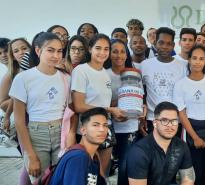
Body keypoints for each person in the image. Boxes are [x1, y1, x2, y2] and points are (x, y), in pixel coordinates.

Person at [9, 32, 70, 182]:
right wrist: (30, 155)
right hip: (36, 134)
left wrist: (70, 136)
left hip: (61, 132)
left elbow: (71, 111)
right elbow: (19, 121)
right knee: (39, 179)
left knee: (59, 178)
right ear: (38, 51)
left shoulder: (66, 78)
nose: (56, 55)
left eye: (59, 51)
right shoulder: (23, 78)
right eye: (50, 50)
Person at [71, 34, 125, 179]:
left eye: (106, 49)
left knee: (102, 174)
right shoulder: (81, 71)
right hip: (88, 128)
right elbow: (79, 106)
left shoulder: (104, 73)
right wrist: (109, 110)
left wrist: (117, 112)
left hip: (106, 126)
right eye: (98, 48)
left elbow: (103, 103)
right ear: (90, 49)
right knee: (86, 174)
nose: (103, 52)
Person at [173, 45, 205, 185]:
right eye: (194, 58)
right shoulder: (180, 84)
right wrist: (194, 137)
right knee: (193, 171)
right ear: (189, 60)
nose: (197, 62)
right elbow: (181, 113)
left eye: (201, 59)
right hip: (190, 130)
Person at [127, 101, 195, 185]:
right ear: (155, 123)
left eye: (174, 121)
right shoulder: (139, 152)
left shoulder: (181, 146)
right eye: (164, 120)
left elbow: (188, 180)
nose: (170, 125)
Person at [106, 39, 141, 185]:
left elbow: (140, 99)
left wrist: (141, 109)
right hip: (107, 126)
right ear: (109, 54)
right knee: (106, 165)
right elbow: (98, 102)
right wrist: (118, 103)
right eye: (114, 51)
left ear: (127, 55)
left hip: (129, 127)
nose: (119, 55)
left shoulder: (134, 75)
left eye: (122, 52)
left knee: (125, 165)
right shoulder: (104, 74)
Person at [140, 27, 187, 133]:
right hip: (152, 119)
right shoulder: (145, 65)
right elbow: (141, 92)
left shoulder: (182, 66)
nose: (165, 47)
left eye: (168, 43)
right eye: (161, 43)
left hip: (175, 120)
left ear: (173, 46)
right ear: (155, 43)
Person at [49, 107, 109, 185]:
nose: (102, 129)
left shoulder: (92, 157)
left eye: (105, 125)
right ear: (83, 130)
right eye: (95, 125)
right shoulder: (78, 157)